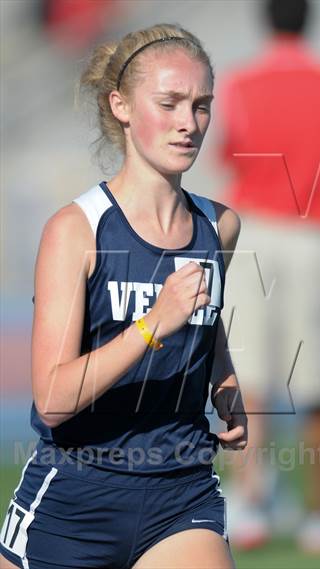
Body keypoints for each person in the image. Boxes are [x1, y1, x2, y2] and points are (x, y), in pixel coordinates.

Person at [0, 23, 248, 569]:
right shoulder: (77, 230)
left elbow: (205, 318)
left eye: (202, 105)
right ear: (122, 106)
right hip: (74, 499)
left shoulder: (218, 227)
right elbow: (54, 397)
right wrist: (152, 324)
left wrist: (223, 380)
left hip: (180, 494)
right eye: (170, 103)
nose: (189, 122)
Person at [217, 0, 320, 552]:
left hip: (254, 228)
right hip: (313, 234)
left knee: (248, 375)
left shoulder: (241, 81)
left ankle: (250, 503)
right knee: (318, 382)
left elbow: (230, 152)